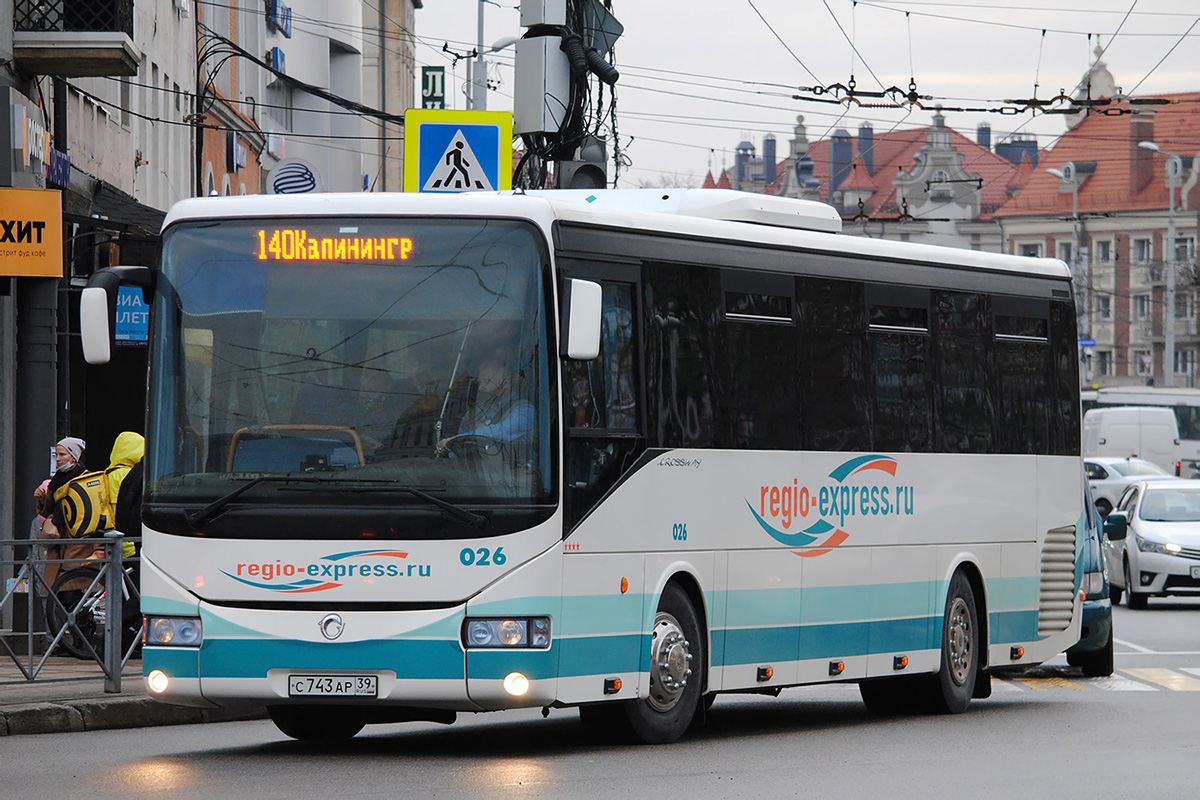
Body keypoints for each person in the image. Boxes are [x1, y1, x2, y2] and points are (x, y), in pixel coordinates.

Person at [436, 348, 535, 456]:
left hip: (506, 472)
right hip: (466, 470)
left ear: (506, 383)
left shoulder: (524, 410)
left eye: (488, 381)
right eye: (480, 381)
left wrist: (455, 440)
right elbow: (458, 451)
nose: (481, 387)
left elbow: (498, 432)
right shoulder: (474, 412)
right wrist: (447, 450)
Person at [35, 437, 89, 587]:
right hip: (58, 541)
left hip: (77, 543)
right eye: (56, 455)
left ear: (74, 456)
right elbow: (48, 511)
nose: (58, 459)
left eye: (62, 455)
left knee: (70, 588)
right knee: (58, 590)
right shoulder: (56, 480)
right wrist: (43, 498)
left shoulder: (85, 479)